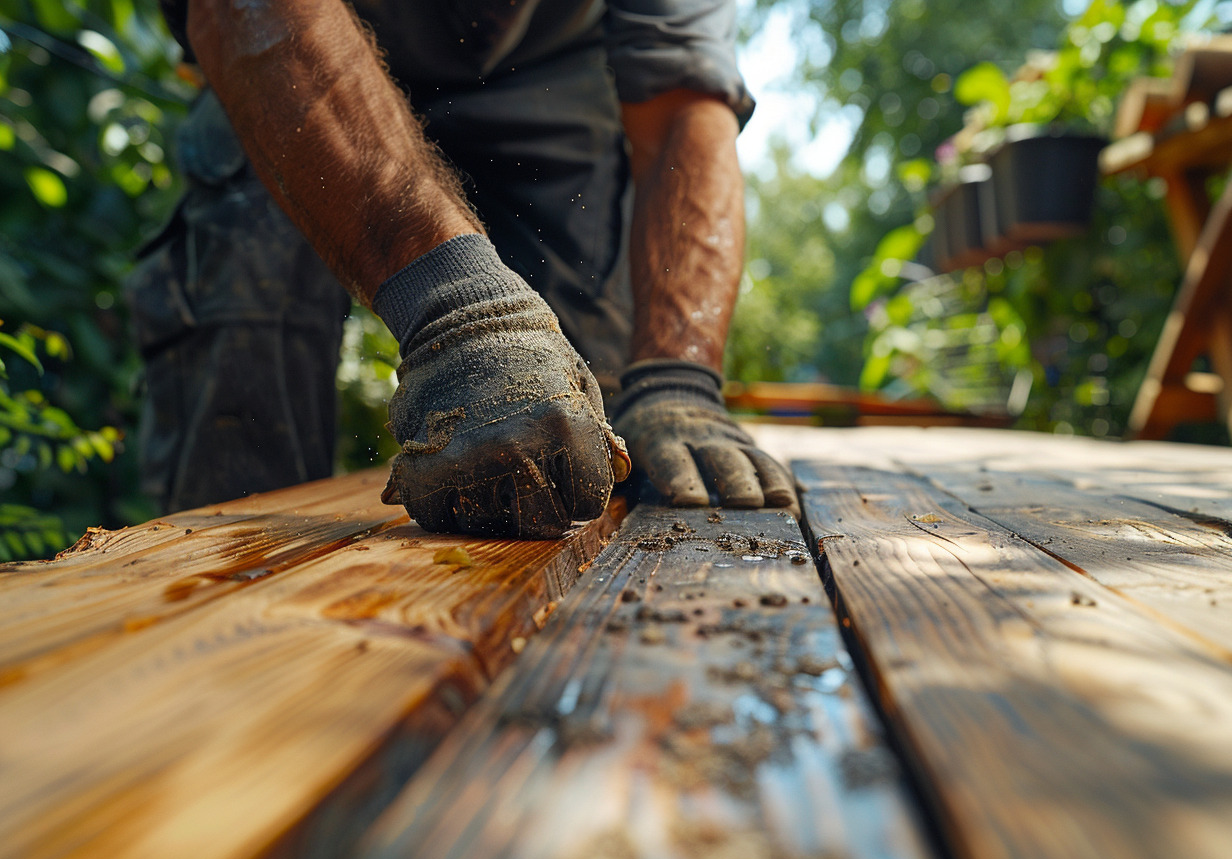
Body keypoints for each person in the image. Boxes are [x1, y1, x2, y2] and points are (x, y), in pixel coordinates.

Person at [126, 0, 797, 538]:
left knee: (579, 441)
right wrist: (459, 308)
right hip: (303, 35)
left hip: (555, 77)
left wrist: (677, 378)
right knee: (248, 274)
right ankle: (225, 594)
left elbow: (685, 109)